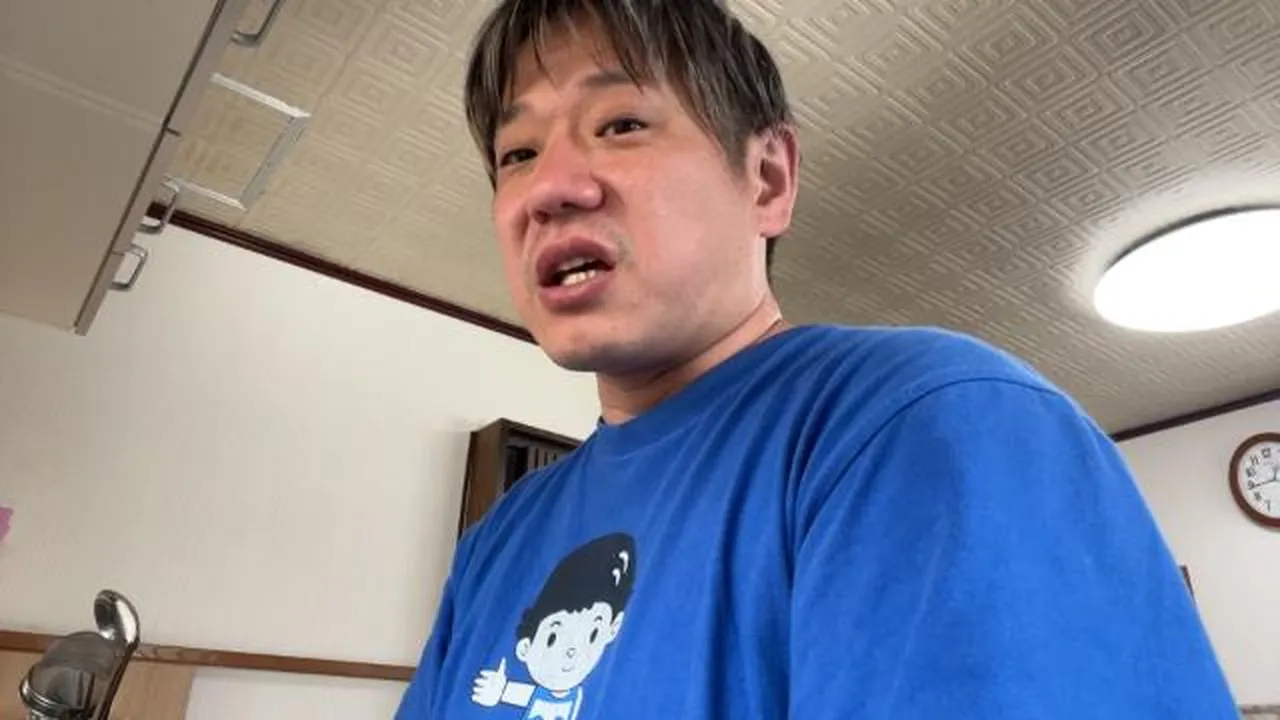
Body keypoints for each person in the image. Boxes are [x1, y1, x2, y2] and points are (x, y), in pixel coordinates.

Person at [396, 0, 1239, 717]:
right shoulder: (497, 542)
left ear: (767, 178)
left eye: (620, 124)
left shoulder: (930, 422)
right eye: (517, 154)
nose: (548, 189)